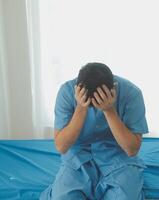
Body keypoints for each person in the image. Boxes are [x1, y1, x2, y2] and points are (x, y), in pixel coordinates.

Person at [40, 62, 149, 200]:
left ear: (113, 88)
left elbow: (132, 149)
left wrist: (109, 111)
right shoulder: (67, 92)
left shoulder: (132, 94)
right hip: (78, 157)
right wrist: (81, 107)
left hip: (118, 157)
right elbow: (61, 146)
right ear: (77, 88)